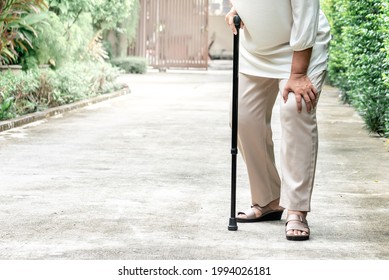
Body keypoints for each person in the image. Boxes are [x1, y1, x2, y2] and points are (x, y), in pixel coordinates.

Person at [225, 0, 331, 241]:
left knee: (296, 108)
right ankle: (268, 200)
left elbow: (305, 16)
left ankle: (297, 209)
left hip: (303, 46)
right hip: (256, 50)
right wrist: (239, 9)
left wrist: (298, 74)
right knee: (242, 115)